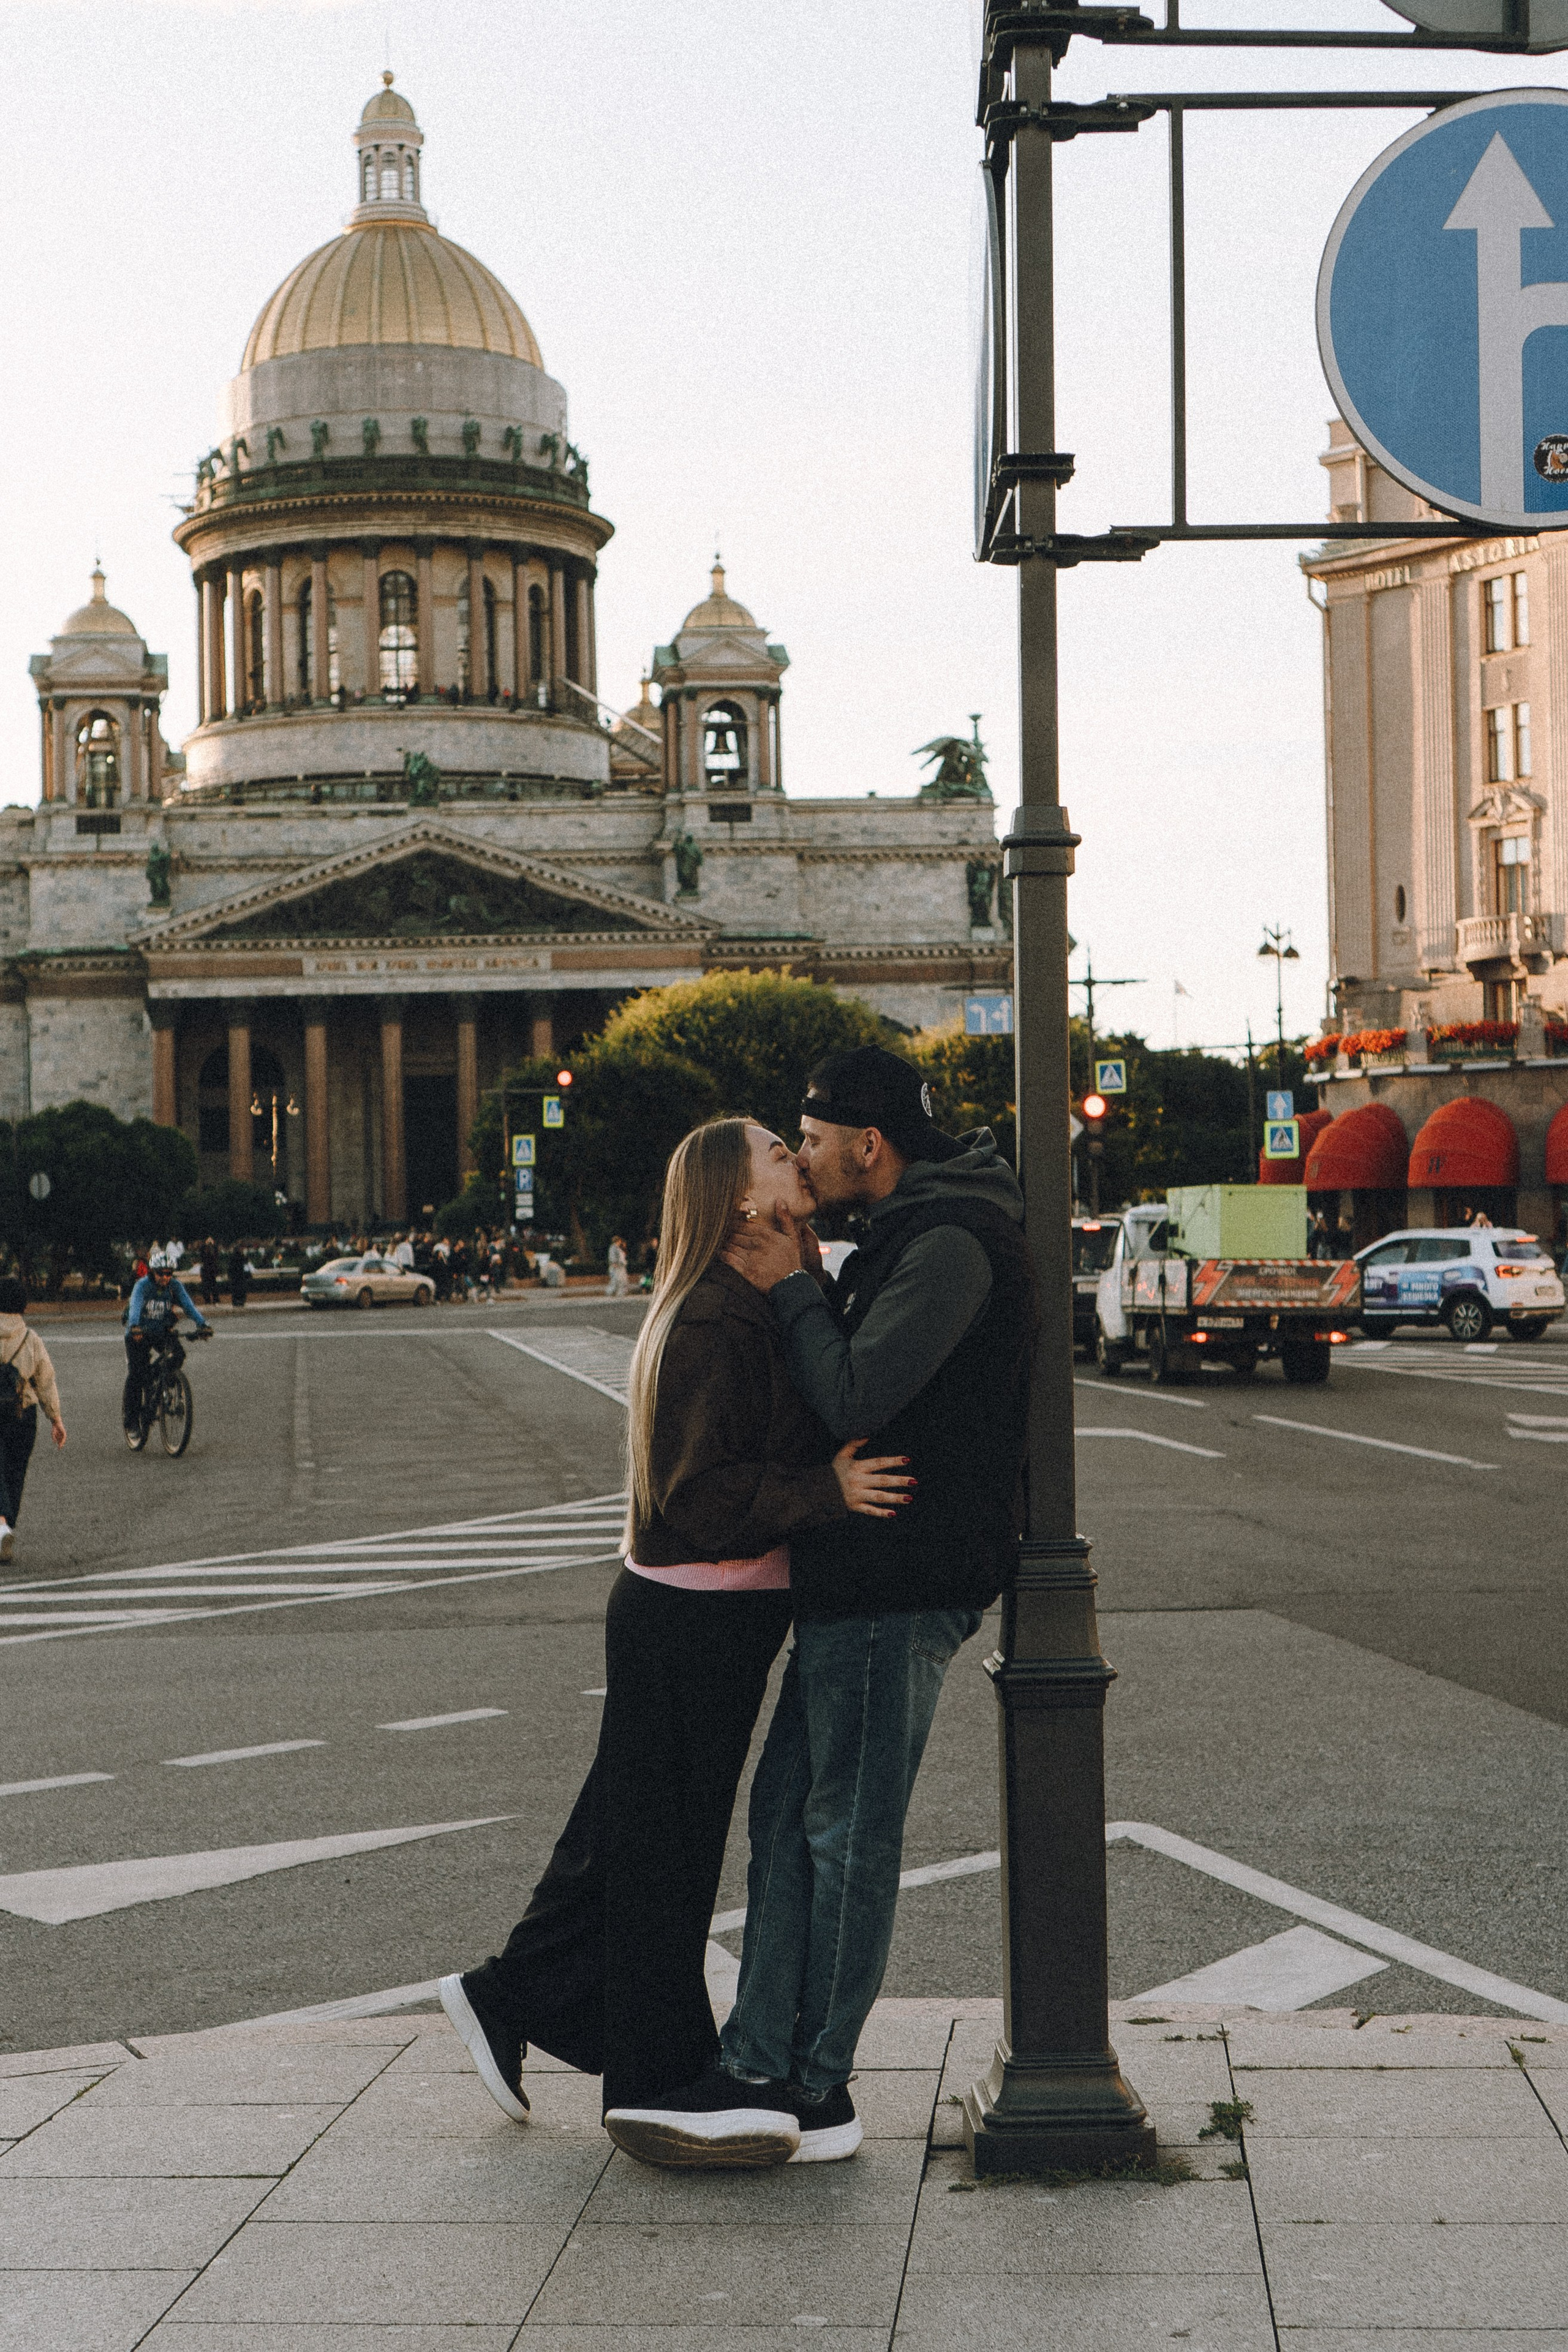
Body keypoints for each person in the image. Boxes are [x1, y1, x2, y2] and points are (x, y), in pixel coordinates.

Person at [437, 1117, 913, 2167]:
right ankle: (652, 2074)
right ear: (740, 1200)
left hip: (708, 1609)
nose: (797, 1155)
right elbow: (702, 1496)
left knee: (626, 1833)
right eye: (776, 1154)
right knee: (665, 1850)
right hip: (694, 1606)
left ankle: (505, 1995)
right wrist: (824, 1493)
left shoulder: (745, 1298)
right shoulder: (711, 1319)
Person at [628, 1045, 1035, 2166]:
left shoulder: (952, 1242)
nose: (801, 1159)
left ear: (869, 1144)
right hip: (860, 1574)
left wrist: (792, 1286)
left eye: (810, 1141)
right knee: (790, 1821)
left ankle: (815, 2085)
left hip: (899, 1575)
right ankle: (760, 2062)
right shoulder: (913, 1231)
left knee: (843, 1835)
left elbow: (859, 1387)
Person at [0, 1278, 66, 1565]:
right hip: (23, 1413)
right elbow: (46, 1381)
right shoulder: (31, 1339)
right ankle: (6, 1525)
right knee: (16, 1471)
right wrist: (56, 1419)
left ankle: (1, 1525)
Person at [123, 1251, 212, 1434]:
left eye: (169, 1273)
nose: (165, 1277)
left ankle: (159, 1378)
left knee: (178, 1354)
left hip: (161, 1331)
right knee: (137, 1374)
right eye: (161, 1273)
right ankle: (132, 1421)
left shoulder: (175, 1286)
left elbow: (189, 1307)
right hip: (139, 1333)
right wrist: (134, 1326)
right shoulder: (143, 1286)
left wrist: (203, 1324)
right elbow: (135, 1306)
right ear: (152, 1272)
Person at [198, 1235, 220, 1308]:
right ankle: (207, 1300)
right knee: (206, 1286)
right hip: (206, 1270)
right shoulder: (204, 1249)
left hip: (212, 1270)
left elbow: (216, 1256)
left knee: (214, 1286)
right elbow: (202, 1256)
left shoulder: (214, 1249)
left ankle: (216, 1300)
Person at [605, 1234, 629, 1298]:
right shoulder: (614, 1248)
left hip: (621, 1267)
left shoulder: (618, 1248)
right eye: (620, 1241)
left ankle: (620, 1293)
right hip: (617, 1267)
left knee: (622, 1281)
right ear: (618, 1241)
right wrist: (614, 1263)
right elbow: (613, 1257)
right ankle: (611, 1292)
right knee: (616, 1281)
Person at [227, 1242, 249, 1310]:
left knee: (239, 1289)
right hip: (237, 1275)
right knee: (238, 1289)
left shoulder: (237, 1256)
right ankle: (238, 1301)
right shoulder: (237, 1256)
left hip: (238, 1275)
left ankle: (239, 1301)